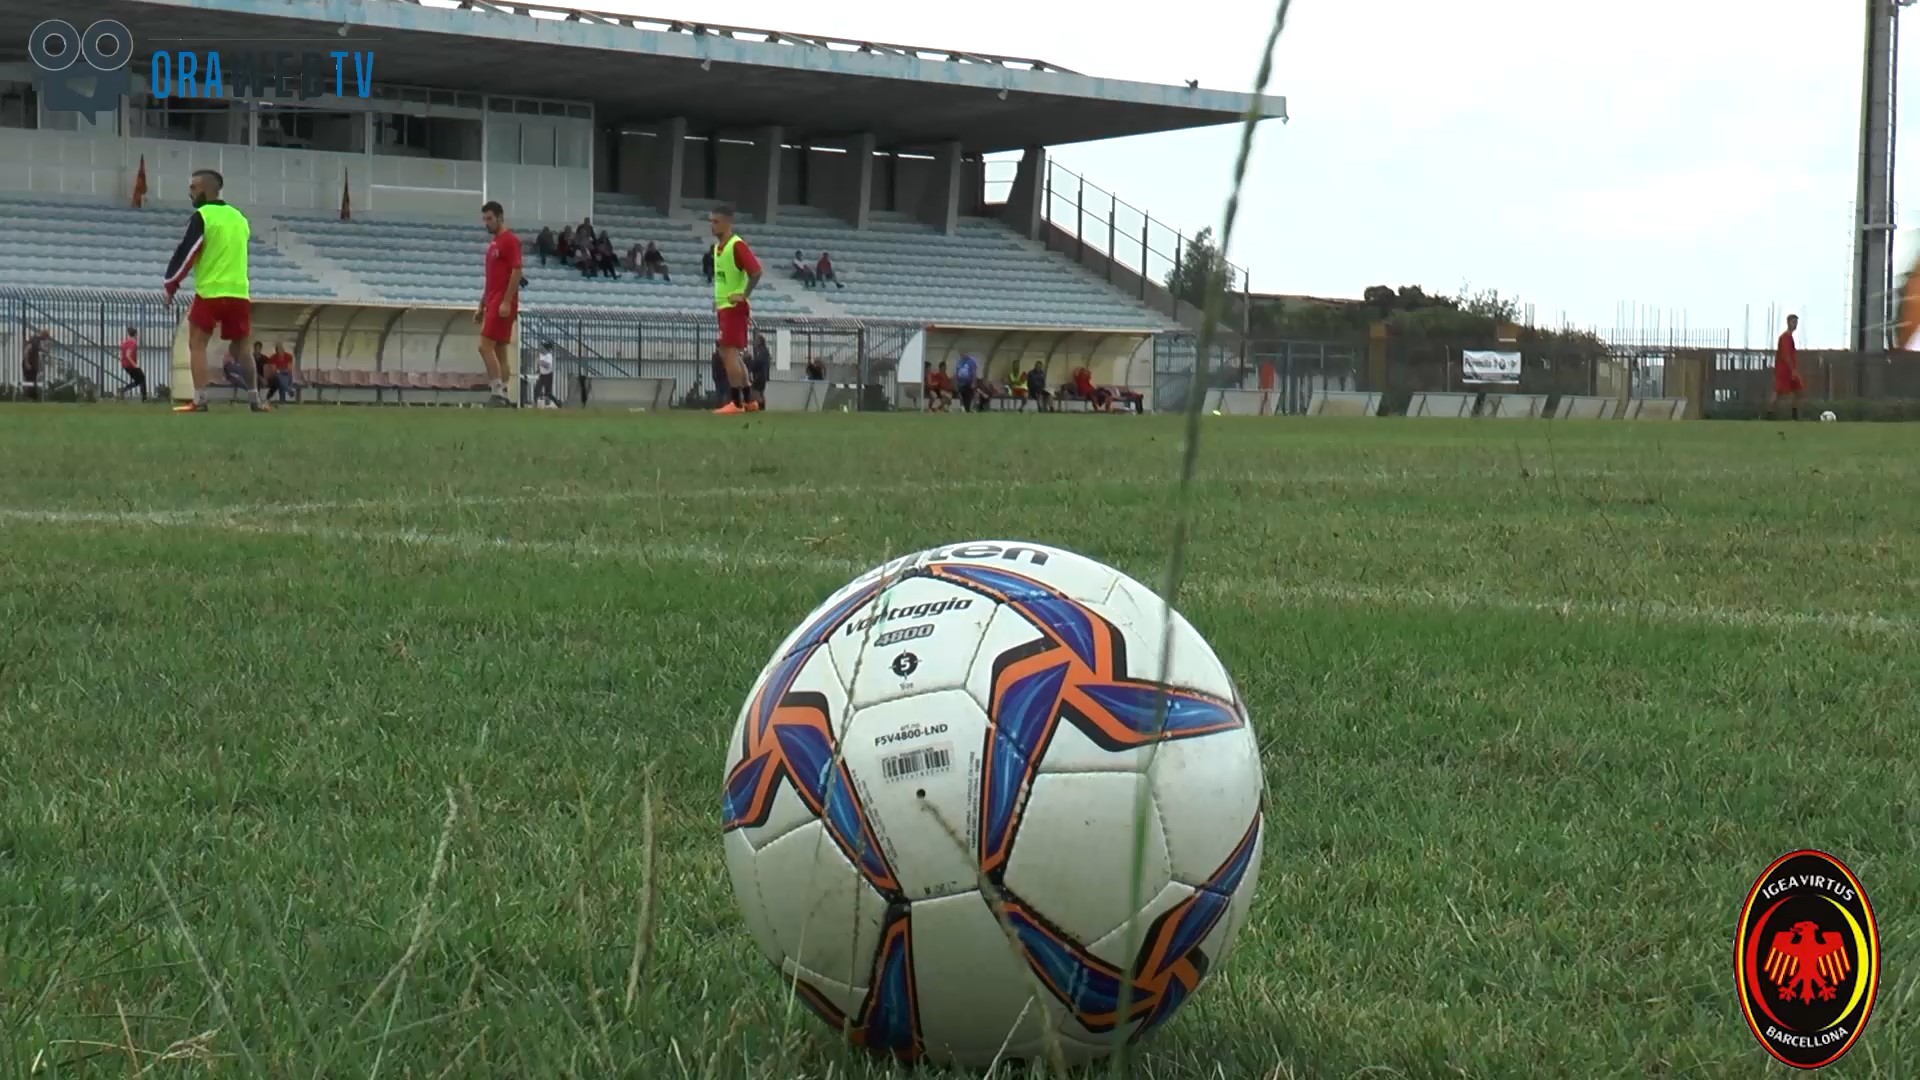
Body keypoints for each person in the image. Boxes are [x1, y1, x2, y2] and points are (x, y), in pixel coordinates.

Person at [162, 168, 267, 412]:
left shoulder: (203, 216)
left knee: (197, 344)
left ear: (206, 190)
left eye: (193, 187)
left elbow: (186, 252)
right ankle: (255, 400)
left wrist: (171, 284)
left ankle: (200, 400)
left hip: (211, 292)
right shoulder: (239, 218)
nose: (190, 192)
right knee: (243, 348)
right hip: (239, 292)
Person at [708, 203, 763, 415]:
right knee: (730, 353)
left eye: (716, 221)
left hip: (734, 308)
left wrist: (744, 295)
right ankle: (749, 400)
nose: (712, 226)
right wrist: (719, 299)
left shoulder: (736, 245)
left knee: (728, 353)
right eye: (711, 222)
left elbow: (756, 272)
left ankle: (736, 403)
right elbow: (724, 280)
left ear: (728, 223)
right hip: (725, 306)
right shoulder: (718, 249)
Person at [475, 200, 523, 407]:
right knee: (500, 350)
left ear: (500, 218)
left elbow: (518, 270)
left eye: (490, 219)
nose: (486, 223)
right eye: (484, 219)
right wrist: (481, 306)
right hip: (493, 300)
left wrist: (506, 301)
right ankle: (504, 394)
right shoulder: (493, 245)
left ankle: (497, 392)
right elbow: (491, 279)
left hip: (502, 301)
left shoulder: (510, 240)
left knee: (484, 347)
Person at [1770, 314, 1804, 421]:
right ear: (1788, 322)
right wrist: (1792, 370)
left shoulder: (1790, 337)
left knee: (1799, 390)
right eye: (1793, 322)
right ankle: (1769, 414)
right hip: (1784, 371)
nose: (1795, 325)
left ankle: (1794, 415)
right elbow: (1785, 355)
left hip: (1790, 370)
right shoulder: (1785, 337)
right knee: (1778, 392)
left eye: (1796, 323)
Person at [118, 326, 147, 400]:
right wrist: (135, 365)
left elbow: (122, 354)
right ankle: (144, 398)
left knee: (138, 380)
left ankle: (123, 390)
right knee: (142, 378)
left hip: (125, 365)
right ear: (135, 334)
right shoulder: (132, 343)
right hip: (131, 365)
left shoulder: (124, 343)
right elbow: (128, 355)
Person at [22, 328, 49, 402]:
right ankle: (30, 398)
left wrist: (44, 350)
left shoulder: (37, 341)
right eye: (46, 337)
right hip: (29, 364)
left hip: (33, 364)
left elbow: (38, 348)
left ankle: (32, 398)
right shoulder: (35, 340)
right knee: (30, 381)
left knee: (33, 381)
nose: (46, 339)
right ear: (44, 336)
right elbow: (26, 350)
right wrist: (26, 363)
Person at [534, 340, 558, 407]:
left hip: (548, 375)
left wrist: (541, 362)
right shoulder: (541, 355)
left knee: (548, 393)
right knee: (537, 389)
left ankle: (558, 403)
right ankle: (535, 404)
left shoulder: (549, 356)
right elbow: (541, 365)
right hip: (542, 375)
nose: (541, 349)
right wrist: (539, 369)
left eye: (542, 348)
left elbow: (547, 366)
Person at [749, 332, 772, 405]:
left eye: (756, 340)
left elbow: (759, 363)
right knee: (760, 392)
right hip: (762, 375)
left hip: (760, 375)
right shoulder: (763, 351)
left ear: (759, 341)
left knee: (754, 391)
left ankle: (761, 405)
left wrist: (750, 363)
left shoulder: (762, 351)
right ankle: (763, 406)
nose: (754, 342)